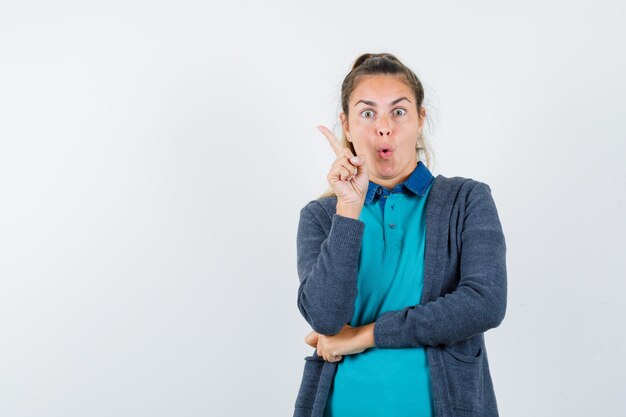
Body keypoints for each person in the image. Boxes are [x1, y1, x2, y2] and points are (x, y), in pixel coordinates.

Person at [293, 53, 507, 417]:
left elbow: (484, 303)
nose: (384, 127)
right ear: (346, 125)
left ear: (420, 119)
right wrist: (348, 207)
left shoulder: (467, 199)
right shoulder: (322, 216)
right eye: (367, 113)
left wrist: (363, 336)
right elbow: (325, 319)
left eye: (398, 111)